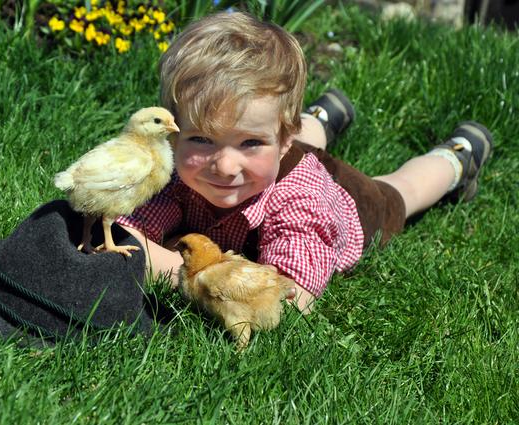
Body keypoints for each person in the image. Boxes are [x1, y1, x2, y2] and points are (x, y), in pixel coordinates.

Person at [116, 11, 493, 314]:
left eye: (249, 141)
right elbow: (121, 230)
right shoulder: (183, 171)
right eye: (201, 139)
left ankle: (457, 157)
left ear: (284, 140)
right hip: (270, 164)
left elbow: (292, 295)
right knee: (263, 134)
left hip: (347, 201)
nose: (225, 166)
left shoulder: (304, 205)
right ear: (174, 134)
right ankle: (323, 118)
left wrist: (175, 272)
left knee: (398, 191)